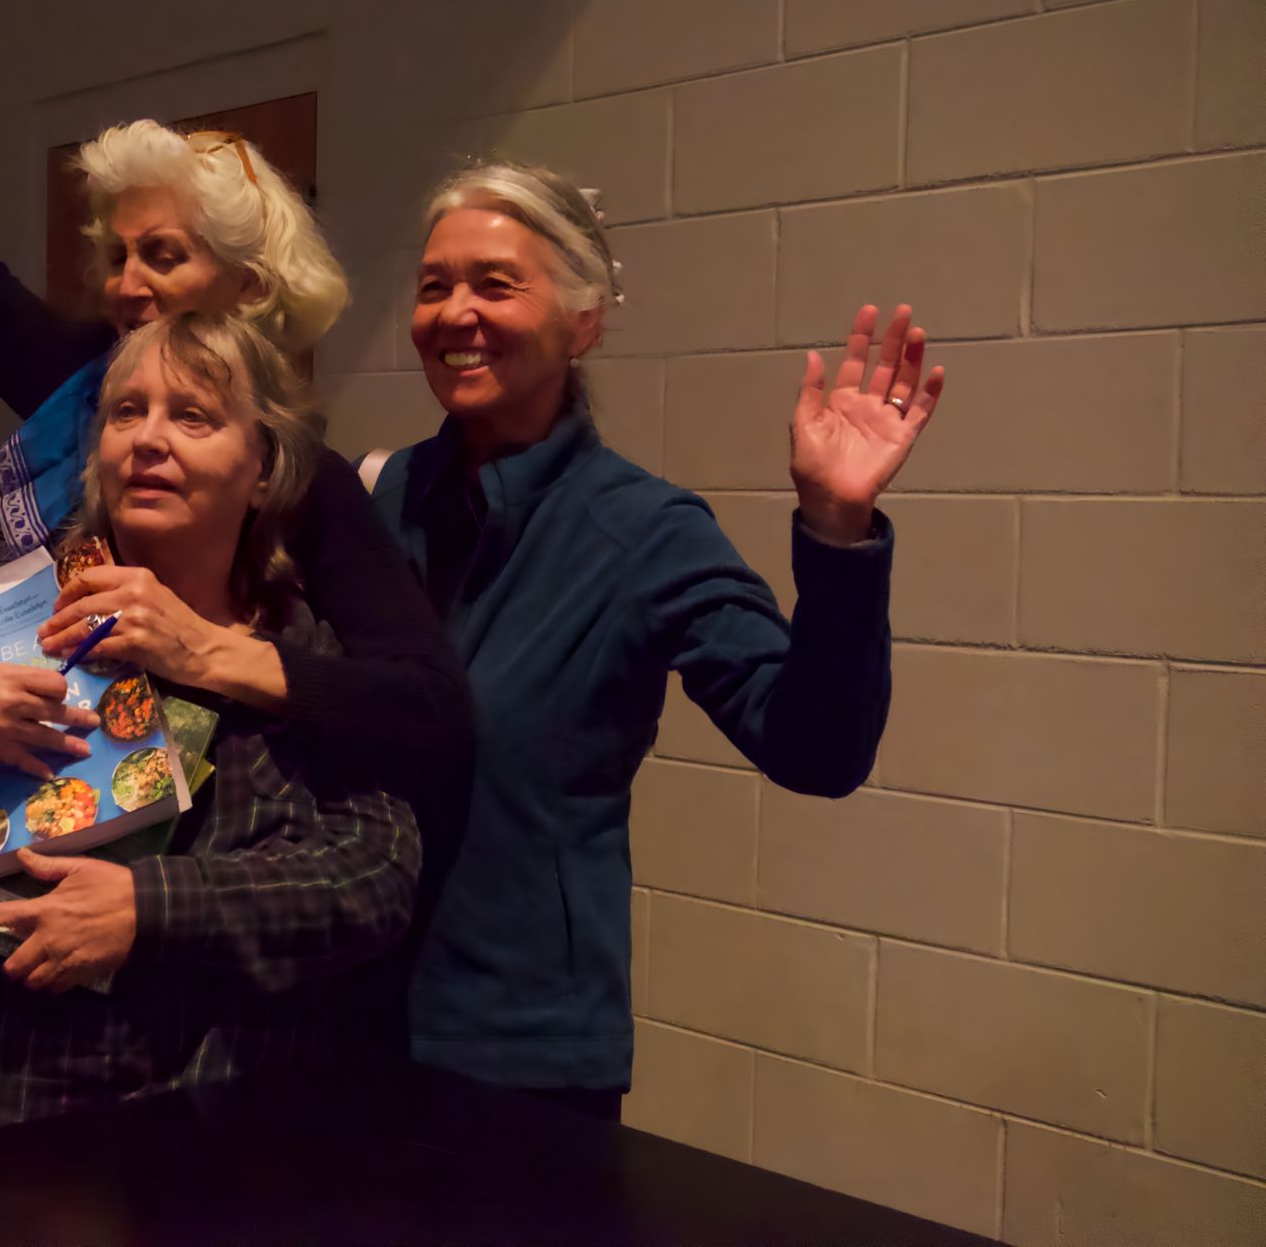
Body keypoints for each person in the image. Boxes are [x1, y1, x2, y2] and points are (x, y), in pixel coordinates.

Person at [365, 163, 945, 1119]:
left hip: (519, 1057)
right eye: (434, 286)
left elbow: (816, 750)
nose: (455, 312)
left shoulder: (644, 530)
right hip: (340, 1019)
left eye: (496, 284)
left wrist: (838, 530)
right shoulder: (386, 500)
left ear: (584, 322)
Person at [0, 314, 421, 1136]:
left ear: (265, 469)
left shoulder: (300, 656)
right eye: (127, 412)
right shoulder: (2, 623)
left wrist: (149, 907)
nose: (149, 439)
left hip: (207, 1137)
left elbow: (373, 879)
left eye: (193, 416)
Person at [0, 31, 470, 784]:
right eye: (118, 257)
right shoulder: (81, 382)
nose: (126, 285)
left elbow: (430, 708)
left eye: (163, 255)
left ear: (249, 284)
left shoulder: (300, 475)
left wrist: (205, 651)